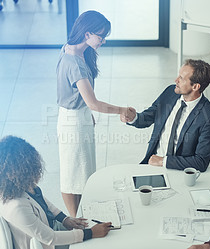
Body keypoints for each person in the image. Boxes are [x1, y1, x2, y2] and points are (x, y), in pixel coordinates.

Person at [56, 10, 134, 217]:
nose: (104, 41)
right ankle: (75, 219)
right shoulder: (75, 64)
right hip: (72, 121)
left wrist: (84, 111)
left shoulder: (72, 49)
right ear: (87, 34)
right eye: (101, 36)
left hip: (77, 115)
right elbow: (95, 104)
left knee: (82, 171)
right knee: (71, 175)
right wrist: (122, 110)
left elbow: (84, 101)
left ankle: (82, 215)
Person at [0, 136, 112, 249]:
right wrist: (91, 233)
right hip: (48, 243)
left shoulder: (13, 184)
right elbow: (50, 238)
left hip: (50, 228)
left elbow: (41, 200)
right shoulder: (16, 207)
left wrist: (64, 219)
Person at [122, 59, 210, 172]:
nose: (176, 80)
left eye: (182, 78)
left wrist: (163, 161)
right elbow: (150, 116)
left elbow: (201, 162)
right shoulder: (170, 92)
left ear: (195, 87)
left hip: (180, 171)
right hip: (152, 163)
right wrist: (133, 118)